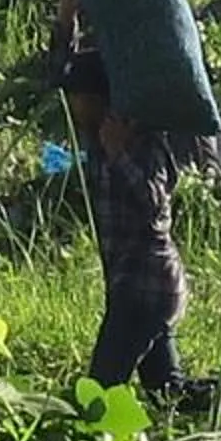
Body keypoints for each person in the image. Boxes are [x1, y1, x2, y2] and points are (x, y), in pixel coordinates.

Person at [62, 49, 188, 396]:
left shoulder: (144, 141)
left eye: (80, 99)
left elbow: (153, 206)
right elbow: (56, 70)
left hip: (145, 286)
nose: (74, 108)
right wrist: (65, 19)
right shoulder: (96, 137)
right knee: (168, 392)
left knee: (97, 391)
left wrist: (120, 154)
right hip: (129, 283)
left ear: (100, 99)